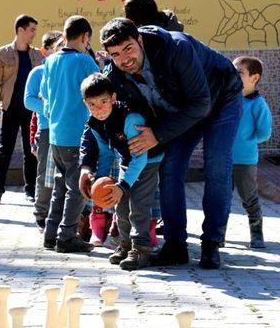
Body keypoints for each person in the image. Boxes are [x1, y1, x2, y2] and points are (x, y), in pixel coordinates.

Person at [100, 18, 243, 269]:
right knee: (170, 167)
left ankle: (211, 242)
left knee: (216, 164)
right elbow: (99, 117)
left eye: (129, 49)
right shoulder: (114, 76)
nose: (124, 59)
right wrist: (87, 166)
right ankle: (176, 246)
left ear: (140, 40)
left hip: (220, 99)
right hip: (180, 113)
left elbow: (201, 103)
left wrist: (157, 134)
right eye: (115, 54)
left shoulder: (176, 48)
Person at [79, 73, 163, 270]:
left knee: (139, 206)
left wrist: (123, 185)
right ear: (85, 103)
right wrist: (99, 180)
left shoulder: (130, 118)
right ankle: (125, 245)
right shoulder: (95, 123)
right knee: (121, 207)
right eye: (92, 104)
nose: (98, 109)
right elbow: (106, 153)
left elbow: (141, 157)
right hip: (127, 161)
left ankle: (141, 249)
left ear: (114, 98)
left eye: (103, 101)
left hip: (148, 162)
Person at [40, 15, 100, 253]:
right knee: (77, 189)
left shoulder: (50, 61)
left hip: (56, 135)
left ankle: (50, 234)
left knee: (59, 187)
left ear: (65, 35)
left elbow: (45, 96)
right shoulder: (85, 62)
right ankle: (67, 236)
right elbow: (101, 87)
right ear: (85, 37)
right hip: (78, 137)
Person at [0, 15, 43, 204]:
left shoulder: (37, 55)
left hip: (32, 110)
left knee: (31, 151)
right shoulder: (2, 53)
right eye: (32, 30)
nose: (34, 34)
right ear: (20, 30)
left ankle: (30, 190)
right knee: (5, 149)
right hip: (10, 108)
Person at [225, 56, 272, 248]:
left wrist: (247, 141)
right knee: (221, 199)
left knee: (250, 199)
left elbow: (264, 132)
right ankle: (217, 235)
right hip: (224, 159)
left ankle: (256, 234)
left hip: (245, 161)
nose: (234, 77)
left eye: (240, 73)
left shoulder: (257, 104)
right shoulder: (228, 99)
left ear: (254, 78)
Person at [24, 30, 63, 231]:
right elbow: (29, 100)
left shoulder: (64, 69)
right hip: (47, 129)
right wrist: (50, 109)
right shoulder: (38, 73)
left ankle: (63, 214)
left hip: (67, 128)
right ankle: (41, 213)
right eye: (56, 48)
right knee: (45, 174)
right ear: (45, 51)